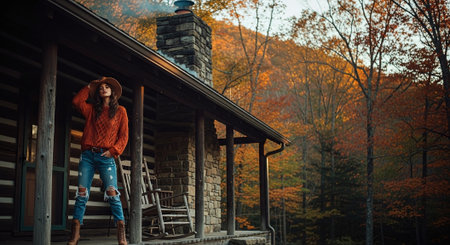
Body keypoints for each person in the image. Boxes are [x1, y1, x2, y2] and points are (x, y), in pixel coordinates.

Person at [68, 77, 128, 245]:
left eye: (107, 86)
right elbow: (76, 101)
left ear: (113, 91)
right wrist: (90, 86)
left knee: (112, 194)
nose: (103, 89)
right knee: (81, 194)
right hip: (87, 155)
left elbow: (124, 136)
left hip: (106, 157)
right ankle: (75, 233)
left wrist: (114, 151)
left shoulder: (121, 111)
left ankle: (121, 233)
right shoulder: (92, 110)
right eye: (100, 87)